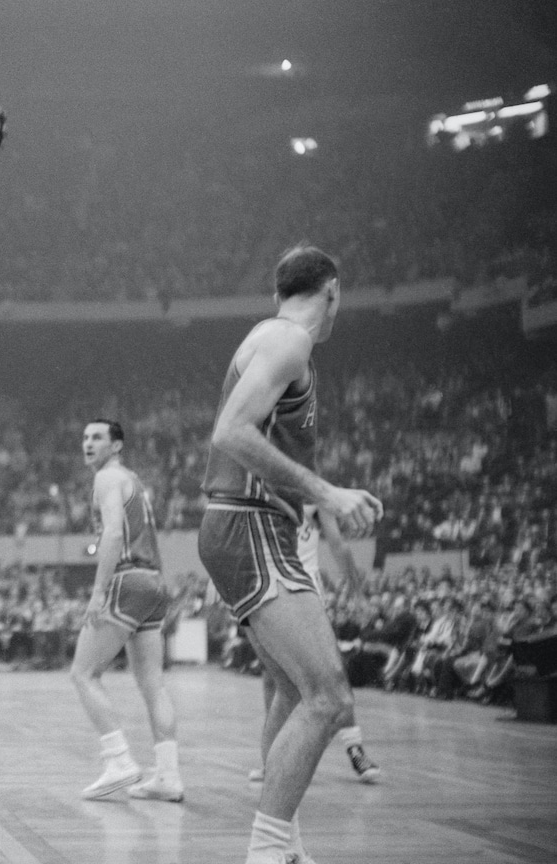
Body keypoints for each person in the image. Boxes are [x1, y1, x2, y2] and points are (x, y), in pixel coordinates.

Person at [198, 245, 383, 864]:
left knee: (289, 690)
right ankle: (268, 852)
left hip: (245, 529)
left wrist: (321, 506)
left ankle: (289, 845)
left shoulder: (268, 337)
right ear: (332, 290)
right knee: (329, 695)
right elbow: (230, 431)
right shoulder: (288, 343)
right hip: (251, 528)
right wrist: (325, 490)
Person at [70, 420, 183, 802]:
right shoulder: (133, 480)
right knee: (152, 683)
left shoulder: (106, 478)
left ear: (116, 445)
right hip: (154, 581)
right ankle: (168, 775)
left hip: (127, 578)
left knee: (83, 673)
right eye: (85, 438)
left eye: (97, 437)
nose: (88, 443)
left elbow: (115, 534)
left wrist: (98, 592)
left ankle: (118, 760)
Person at [249, 504, 380, 784]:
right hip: (277, 589)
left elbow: (339, 545)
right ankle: (275, 756)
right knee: (277, 678)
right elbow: (339, 547)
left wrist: (356, 588)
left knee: (328, 674)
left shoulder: (310, 493)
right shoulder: (269, 485)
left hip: (297, 590)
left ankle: (354, 747)